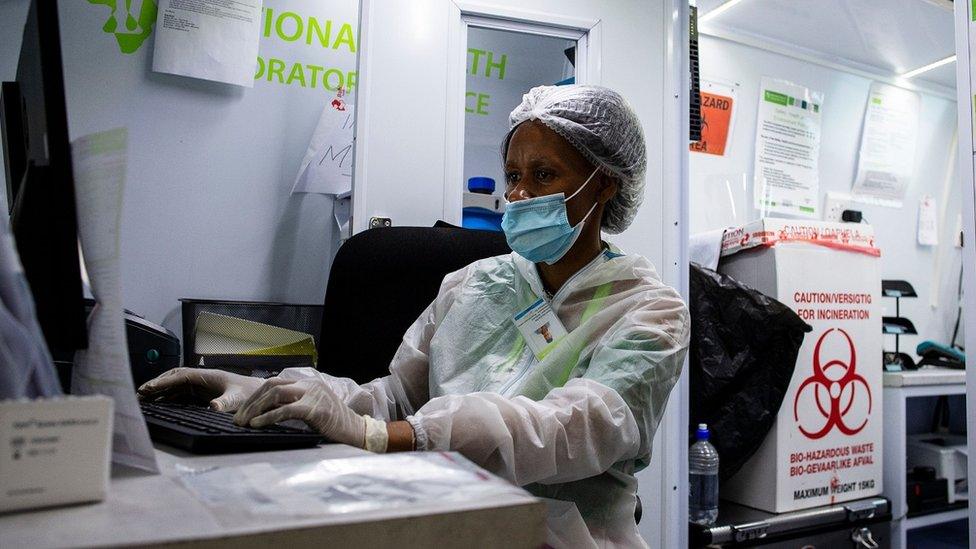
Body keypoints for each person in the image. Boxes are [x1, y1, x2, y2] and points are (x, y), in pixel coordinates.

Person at [139, 85, 689, 548]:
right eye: (512, 174)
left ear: (606, 181)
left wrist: (383, 437)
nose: (519, 195)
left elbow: (571, 431)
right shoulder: (477, 282)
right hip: (431, 520)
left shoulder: (649, 312)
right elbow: (393, 401)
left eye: (543, 175)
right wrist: (270, 390)